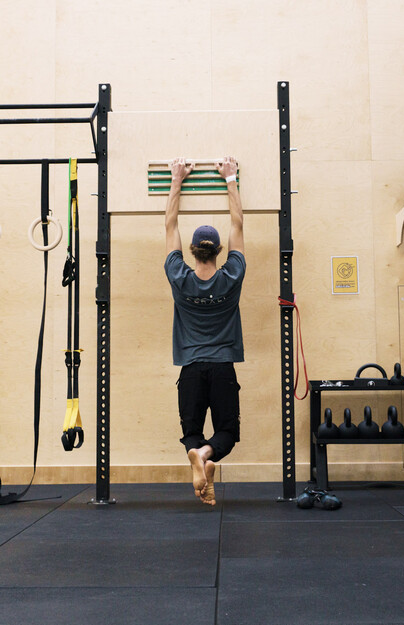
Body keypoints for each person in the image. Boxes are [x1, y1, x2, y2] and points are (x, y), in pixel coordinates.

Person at [164, 156, 245, 506]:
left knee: (190, 432)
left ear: (192, 251)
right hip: (223, 366)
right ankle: (208, 456)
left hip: (192, 369)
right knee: (228, 432)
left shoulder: (179, 277)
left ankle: (198, 454)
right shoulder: (232, 276)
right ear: (219, 251)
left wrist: (176, 179)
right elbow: (238, 224)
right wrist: (230, 178)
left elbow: (170, 225)